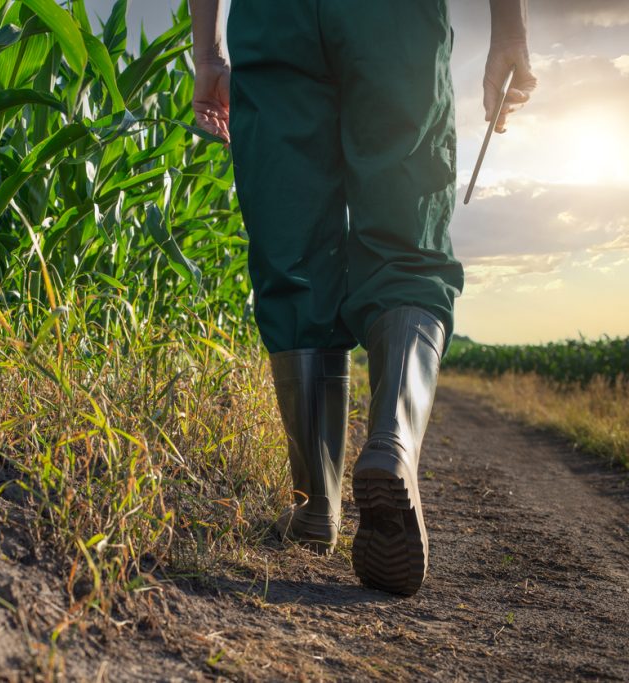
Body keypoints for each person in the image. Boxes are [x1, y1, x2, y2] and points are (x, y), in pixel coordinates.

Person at [187, 0, 536, 596]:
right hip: (390, 18)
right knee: (406, 244)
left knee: (292, 254)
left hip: (277, 22)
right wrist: (510, 27)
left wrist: (209, 50)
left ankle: (314, 503)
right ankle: (392, 440)